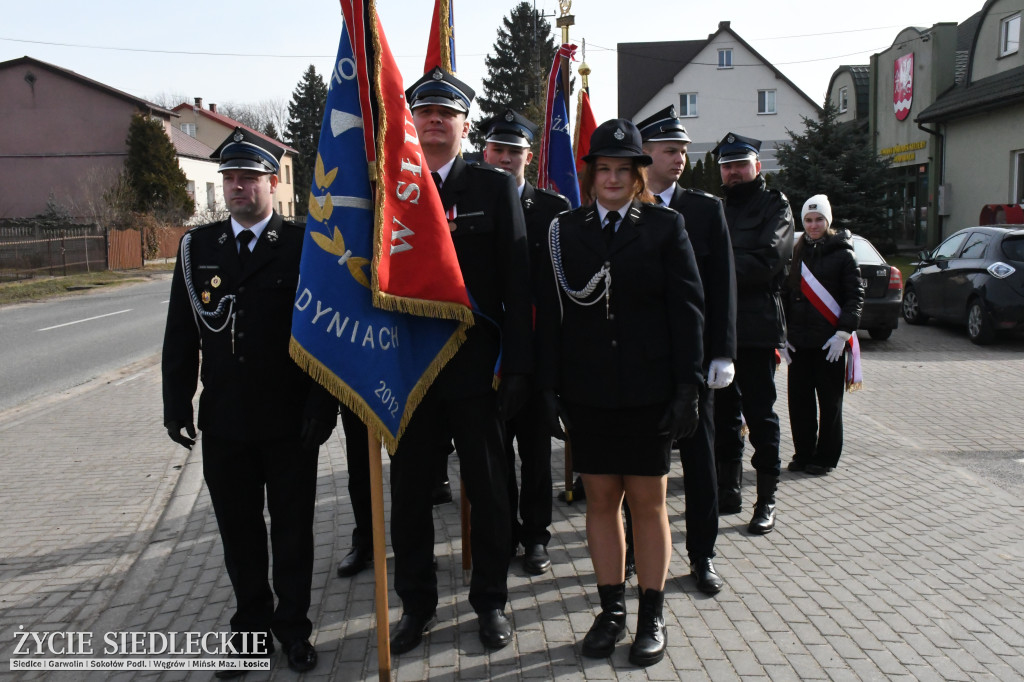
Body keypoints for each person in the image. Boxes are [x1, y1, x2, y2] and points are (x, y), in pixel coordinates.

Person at [161, 127, 337, 675]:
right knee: (239, 534)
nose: (237, 188)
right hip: (227, 421)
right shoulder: (198, 248)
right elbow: (181, 334)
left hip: (289, 421)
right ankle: (251, 632)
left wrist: (321, 405)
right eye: (229, 179)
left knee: (291, 531)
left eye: (248, 178)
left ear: (270, 180)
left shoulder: (307, 242)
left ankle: (295, 630)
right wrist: (176, 402)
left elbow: (323, 333)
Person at [538, 119, 705, 667]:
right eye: (603, 168)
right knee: (601, 502)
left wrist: (688, 386)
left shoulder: (664, 225)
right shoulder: (566, 229)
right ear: (590, 174)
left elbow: (687, 312)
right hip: (588, 391)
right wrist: (552, 385)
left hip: (648, 390)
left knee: (648, 502)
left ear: (638, 174)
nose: (612, 178)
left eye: (623, 169)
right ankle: (611, 611)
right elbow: (553, 316)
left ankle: (651, 614)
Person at [387, 67, 533, 654]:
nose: (435, 122)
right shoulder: (393, 191)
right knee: (409, 498)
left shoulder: (494, 188)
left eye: (447, 114)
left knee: (492, 494)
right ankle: (416, 607)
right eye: (425, 113)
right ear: (412, 123)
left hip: (478, 372)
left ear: (465, 125)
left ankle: (491, 601)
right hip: (413, 373)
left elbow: (519, 286)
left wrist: (520, 367)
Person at [637, 105, 736, 594]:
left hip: (694, 361)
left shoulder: (703, 209)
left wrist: (724, 352)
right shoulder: (626, 206)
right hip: (642, 360)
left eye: (682, 150)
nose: (679, 158)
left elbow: (722, 287)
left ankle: (703, 554)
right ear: (646, 153)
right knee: (638, 465)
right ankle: (638, 553)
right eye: (669, 149)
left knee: (700, 464)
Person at [482, 107, 570, 576]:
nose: (505, 159)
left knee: (535, 454)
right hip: (488, 351)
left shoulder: (554, 211)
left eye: (514, 151)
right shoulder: (470, 202)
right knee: (495, 457)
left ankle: (536, 535)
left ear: (529, 158)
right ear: (485, 152)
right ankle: (506, 535)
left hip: (536, 353)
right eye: (498, 149)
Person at [711, 132, 794, 535]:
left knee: (761, 415)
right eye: (728, 166)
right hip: (722, 327)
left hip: (758, 326)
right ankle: (728, 491)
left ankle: (767, 500)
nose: (734, 172)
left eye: (741, 164)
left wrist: (720, 267)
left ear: (757, 166)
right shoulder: (718, 208)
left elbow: (768, 260)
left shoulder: (775, 205)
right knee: (723, 415)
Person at [783, 195, 863, 475]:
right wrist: (784, 336)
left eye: (818, 220)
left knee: (829, 404)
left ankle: (825, 457)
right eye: (808, 220)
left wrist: (843, 332)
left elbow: (855, 297)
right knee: (799, 403)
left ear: (828, 221)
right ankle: (803, 453)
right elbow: (785, 296)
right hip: (800, 343)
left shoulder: (843, 253)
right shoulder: (795, 252)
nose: (813, 225)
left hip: (830, 343)